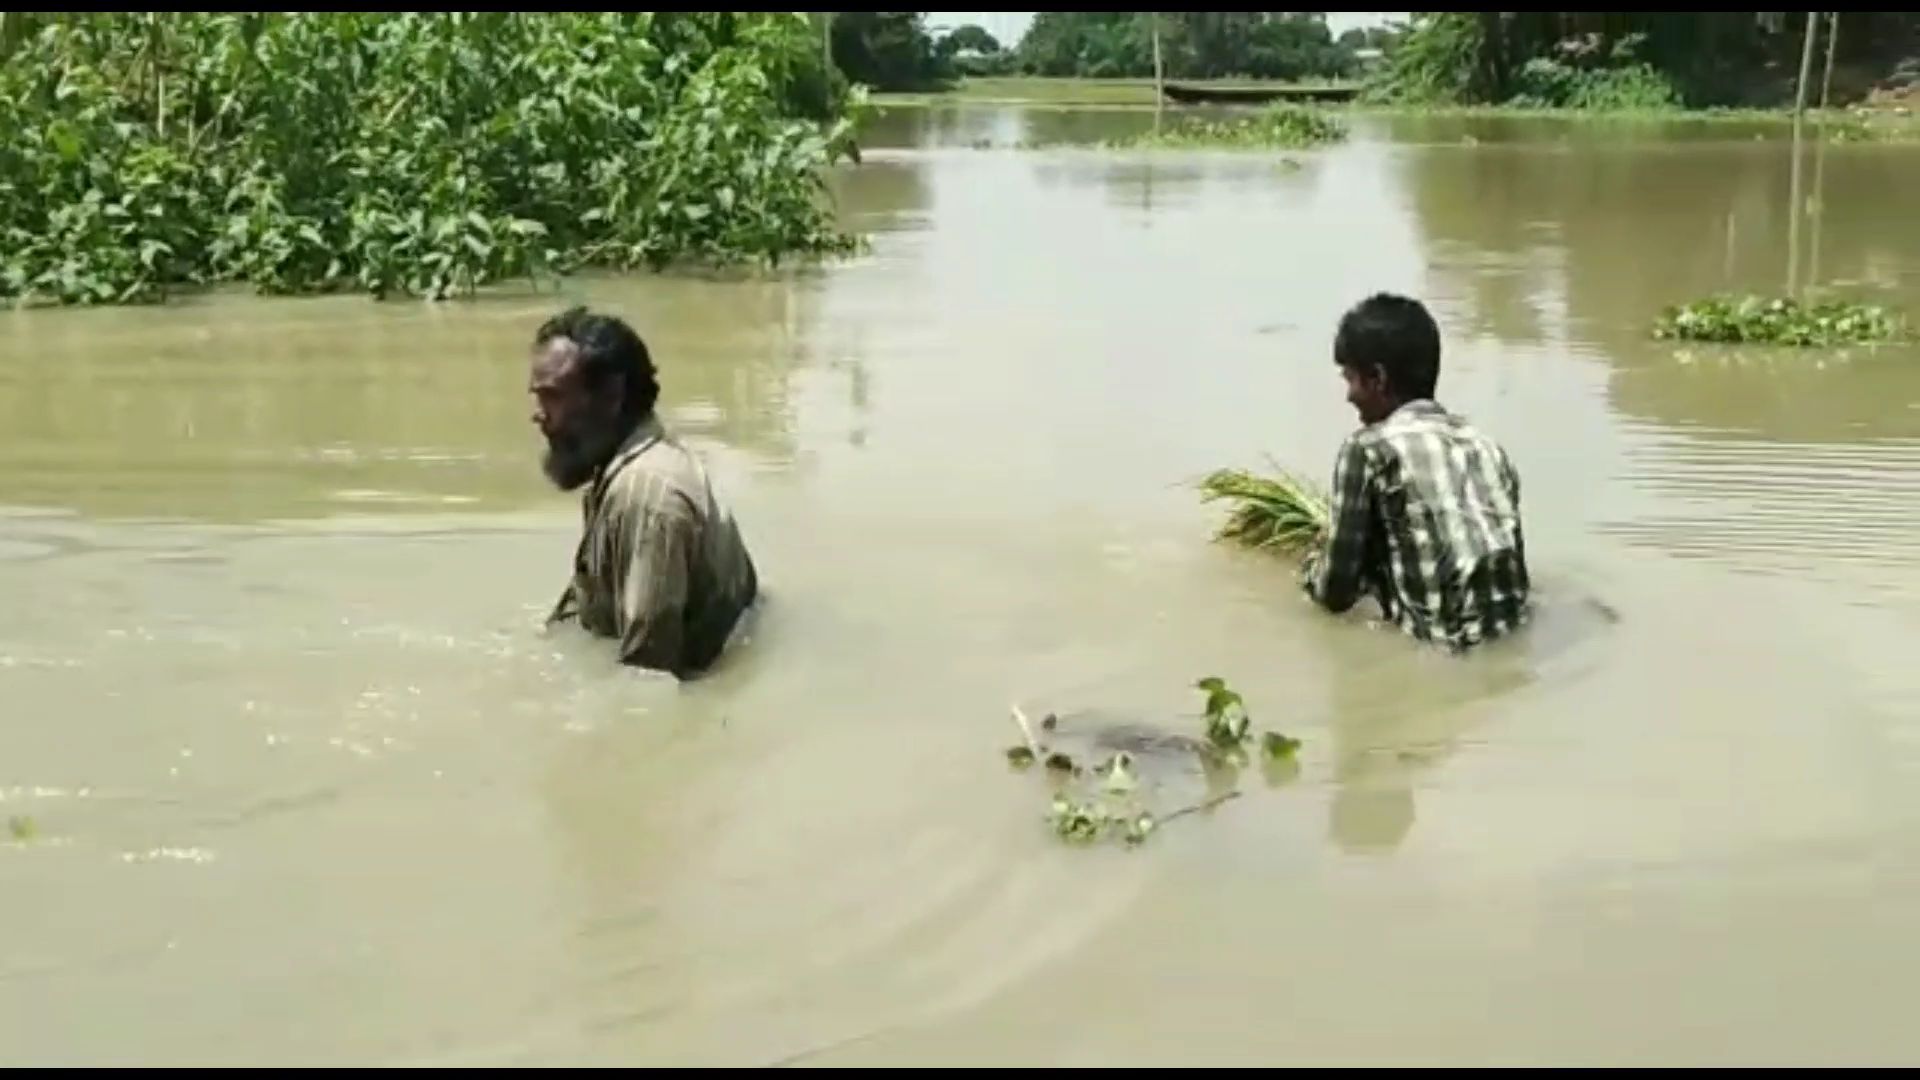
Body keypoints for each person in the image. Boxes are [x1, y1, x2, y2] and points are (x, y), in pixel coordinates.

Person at [529, 306, 759, 678]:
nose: (538, 414)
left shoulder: (645, 495)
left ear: (610, 397)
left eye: (553, 397)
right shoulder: (628, 469)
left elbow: (647, 677)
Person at [1300, 292, 1530, 652]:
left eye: (1351, 380)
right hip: (1511, 643)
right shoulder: (1487, 449)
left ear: (1377, 378)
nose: (1348, 396)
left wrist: (1314, 556)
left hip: (1443, 653)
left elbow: (1335, 593)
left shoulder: (1368, 449)